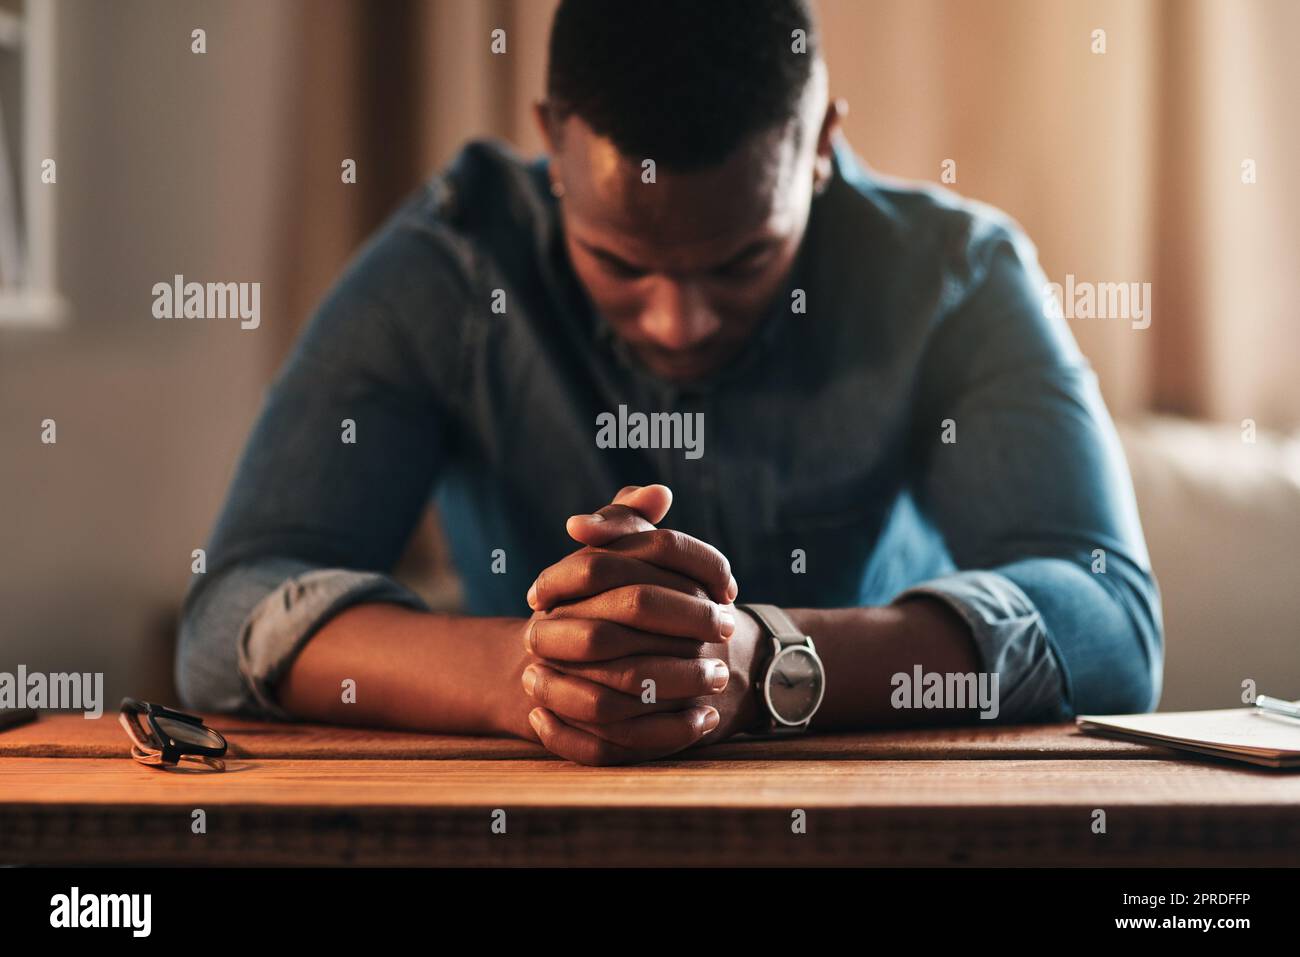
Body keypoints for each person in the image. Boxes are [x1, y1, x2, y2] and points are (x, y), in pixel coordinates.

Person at [177, 0, 1162, 765]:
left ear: (819, 145)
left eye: (739, 263)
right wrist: (521, 674)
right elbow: (225, 618)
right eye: (619, 262)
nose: (675, 321)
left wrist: (770, 661)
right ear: (553, 147)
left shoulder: (956, 276)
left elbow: (1110, 623)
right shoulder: (449, 267)